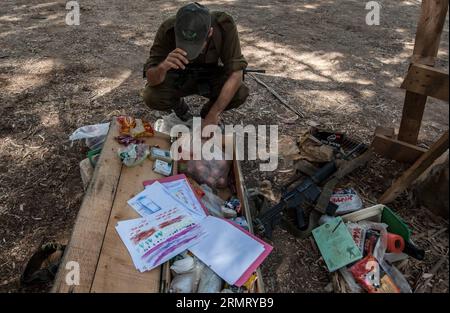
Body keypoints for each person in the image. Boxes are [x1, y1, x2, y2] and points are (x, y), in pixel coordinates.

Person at [142, 2, 249, 128]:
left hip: (212, 76)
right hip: (179, 77)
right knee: (152, 96)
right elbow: (151, 78)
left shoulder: (224, 25)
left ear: (209, 32)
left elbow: (236, 73)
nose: (189, 51)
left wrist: (213, 114)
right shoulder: (168, 28)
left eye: (195, 45)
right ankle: (181, 110)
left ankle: (206, 114)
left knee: (239, 92)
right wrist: (163, 66)